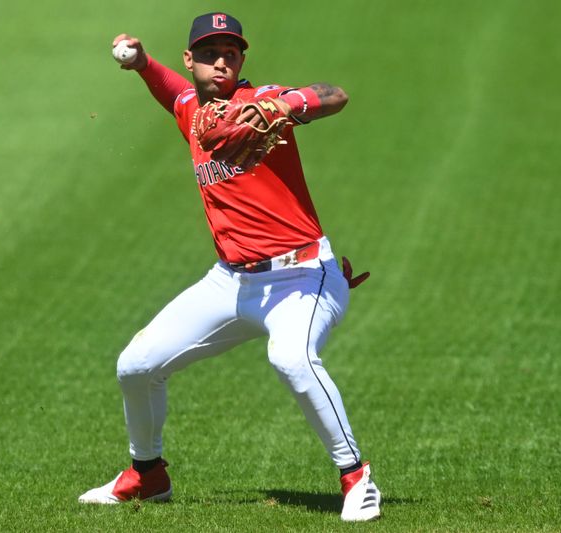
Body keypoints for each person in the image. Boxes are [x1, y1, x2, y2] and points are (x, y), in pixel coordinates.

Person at [77, 12, 381, 522]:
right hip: (231, 281)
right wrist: (142, 62)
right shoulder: (190, 110)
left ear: (242, 61)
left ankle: (355, 476)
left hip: (304, 276)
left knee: (291, 358)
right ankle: (148, 476)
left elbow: (335, 94)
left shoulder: (261, 101)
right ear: (191, 59)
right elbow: (170, 90)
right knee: (136, 366)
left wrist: (285, 104)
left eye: (232, 54)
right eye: (211, 53)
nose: (223, 62)